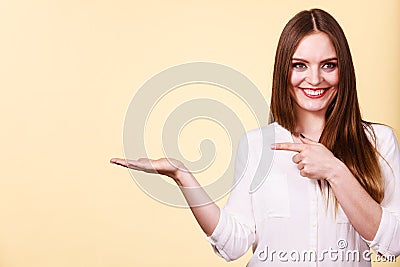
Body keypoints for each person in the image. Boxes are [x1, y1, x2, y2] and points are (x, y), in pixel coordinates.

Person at [110, 8, 400, 266]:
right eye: (299, 65)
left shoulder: (379, 143)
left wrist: (335, 170)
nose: (314, 79)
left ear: (343, 71)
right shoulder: (256, 145)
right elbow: (234, 244)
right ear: (283, 71)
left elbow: (393, 245)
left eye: (328, 65)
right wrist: (182, 175)